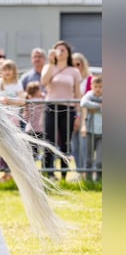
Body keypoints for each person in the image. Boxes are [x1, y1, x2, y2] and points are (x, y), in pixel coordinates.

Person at [40, 40, 82, 180]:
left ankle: (64, 174)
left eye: (63, 50)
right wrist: (51, 63)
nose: (60, 52)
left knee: (65, 142)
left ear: (68, 53)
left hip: (68, 108)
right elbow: (43, 82)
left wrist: (79, 114)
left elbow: (77, 94)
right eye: (57, 50)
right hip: (51, 107)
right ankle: (49, 172)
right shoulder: (49, 67)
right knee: (49, 140)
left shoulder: (74, 71)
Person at [0, 59, 26, 179]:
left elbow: (22, 101)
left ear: (14, 71)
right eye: (5, 69)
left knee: (13, 144)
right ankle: (4, 170)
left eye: (9, 69)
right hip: (0, 118)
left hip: (13, 119)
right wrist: (0, 100)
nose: (7, 72)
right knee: (1, 145)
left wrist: (10, 101)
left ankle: (13, 171)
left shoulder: (17, 84)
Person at [79, 74, 103, 181]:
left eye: (100, 87)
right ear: (92, 86)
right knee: (88, 159)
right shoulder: (89, 95)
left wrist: (93, 108)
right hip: (90, 131)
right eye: (96, 87)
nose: (98, 89)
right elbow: (83, 103)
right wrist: (99, 106)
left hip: (102, 133)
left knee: (100, 160)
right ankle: (88, 181)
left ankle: (99, 180)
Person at [22, 81, 46, 159]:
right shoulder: (42, 100)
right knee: (44, 149)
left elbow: (25, 116)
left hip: (29, 129)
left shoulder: (28, 101)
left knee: (32, 152)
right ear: (36, 91)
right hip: (40, 129)